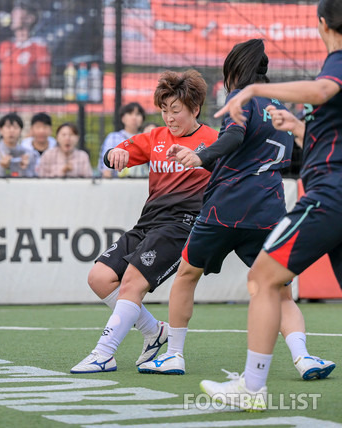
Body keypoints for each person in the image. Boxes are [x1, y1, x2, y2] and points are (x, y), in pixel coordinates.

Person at [138, 39, 335, 382]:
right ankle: (304, 358)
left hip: (226, 208)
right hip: (269, 208)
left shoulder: (240, 97)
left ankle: (173, 356)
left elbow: (234, 137)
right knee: (279, 290)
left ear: (234, 68)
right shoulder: (279, 105)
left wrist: (200, 156)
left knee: (186, 276)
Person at [200, 1, 342, 411]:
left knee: (263, 279)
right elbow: (325, 138)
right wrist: (298, 127)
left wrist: (255, 88)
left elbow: (320, 91)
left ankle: (252, 388)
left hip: (329, 196)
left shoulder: (335, 66)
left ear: (321, 24)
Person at [70, 70, 218, 373]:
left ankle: (104, 353)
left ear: (195, 108)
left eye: (175, 110)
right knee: (99, 278)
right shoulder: (155, 138)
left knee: (131, 284)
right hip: (147, 223)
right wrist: (114, 154)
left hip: (183, 226)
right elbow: (113, 155)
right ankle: (154, 332)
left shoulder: (214, 141)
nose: (169, 118)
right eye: (164, 110)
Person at [0, 113, 37, 177]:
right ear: (1, 130)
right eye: (8, 127)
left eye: (15, 127)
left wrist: (24, 168)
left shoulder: (30, 154)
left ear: (20, 131)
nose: (11, 131)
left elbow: (35, 180)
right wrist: (1, 167)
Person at [98, 102, 145, 178]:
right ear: (123, 118)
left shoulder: (146, 138)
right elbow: (105, 168)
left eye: (138, 114)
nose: (134, 117)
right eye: (130, 114)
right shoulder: (113, 137)